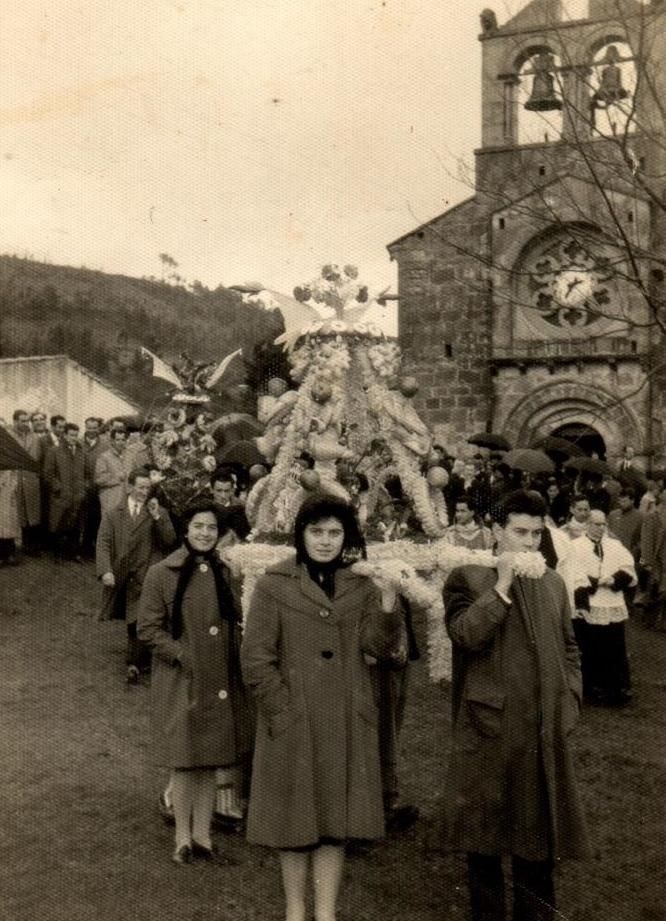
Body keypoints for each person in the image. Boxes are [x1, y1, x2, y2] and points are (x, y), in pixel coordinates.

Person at [241, 494, 406, 921]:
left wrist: (388, 604)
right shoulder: (274, 584)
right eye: (317, 532)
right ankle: (296, 911)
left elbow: (378, 648)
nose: (326, 541)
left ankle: (327, 913)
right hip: (294, 721)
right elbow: (256, 658)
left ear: (346, 537)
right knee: (295, 823)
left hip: (347, 720)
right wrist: (282, 710)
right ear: (301, 534)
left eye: (335, 532)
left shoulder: (363, 585)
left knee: (336, 822)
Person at [442, 490, 590, 921]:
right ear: (496, 532)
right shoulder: (468, 576)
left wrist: (571, 701)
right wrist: (502, 588)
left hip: (542, 726)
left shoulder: (553, 582)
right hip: (488, 726)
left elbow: (569, 649)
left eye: (535, 534)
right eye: (518, 533)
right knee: (483, 838)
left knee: (536, 840)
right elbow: (465, 635)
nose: (528, 543)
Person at [138, 500, 253, 865]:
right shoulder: (162, 573)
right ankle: (182, 838)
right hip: (183, 681)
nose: (205, 533)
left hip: (219, 677)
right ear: (186, 529)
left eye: (212, 529)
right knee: (186, 760)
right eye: (198, 526)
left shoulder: (225, 571)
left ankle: (203, 836)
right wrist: (182, 654)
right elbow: (148, 628)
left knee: (210, 760)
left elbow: (237, 617)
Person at [96, 467, 177, 682]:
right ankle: (139, 660)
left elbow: (169, 540)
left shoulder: (157, 511)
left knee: (143, 619)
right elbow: (103, 543)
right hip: (125, 576)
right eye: (140, 487)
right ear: (129, 486)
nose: (144, 492)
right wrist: (105, 570)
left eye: (147, 487)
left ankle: (135, 664)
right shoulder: (114, 514)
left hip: (148, 575)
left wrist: (158, 516)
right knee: (133, 621)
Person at [572, 509, 636, 706]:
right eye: (596, 524)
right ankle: (592, 688)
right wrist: (594, 582)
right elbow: (573, 574)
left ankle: (616, 689)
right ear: (587, 525)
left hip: (612, 602)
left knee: (615, 646)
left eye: (603, 524)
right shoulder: (576, 546)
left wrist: (613, 579)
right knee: (590, 647)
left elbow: (629, 570)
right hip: (589, 603)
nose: (600, 528)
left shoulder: (615, 545)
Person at [43, 422, 86, 560]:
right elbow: (48, 474)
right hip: (61, 496)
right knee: (59, 525)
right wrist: (58, 488)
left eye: (76, 435)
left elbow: (88, 474)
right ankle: (58, 553)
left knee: (74, 526)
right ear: (65, 435)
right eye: (71, 435)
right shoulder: (54, 451)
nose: (74, 438)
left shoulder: (81, 452)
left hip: (77, 495)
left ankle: (73, 553)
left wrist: (84, 488)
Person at [10, 409, 43, 554]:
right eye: (22, 421)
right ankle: (14, 546)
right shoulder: (8, 436)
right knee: (16, 514)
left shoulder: (34, 437)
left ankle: (32, 545)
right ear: (15, 421)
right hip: (14, 478)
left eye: (26, 421)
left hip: (30, 479)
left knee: (32, 513)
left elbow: (38, 458)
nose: (25, 424)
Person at [95, 427, 130, 514]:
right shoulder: (104, 457)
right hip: (110, 501)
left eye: (123, 440)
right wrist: (117, 477)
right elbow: (99, 479)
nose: (121, 442)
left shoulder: (129, 456)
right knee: (109, 526)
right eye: (118, 440)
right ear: (112, 441)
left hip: (126, 501)